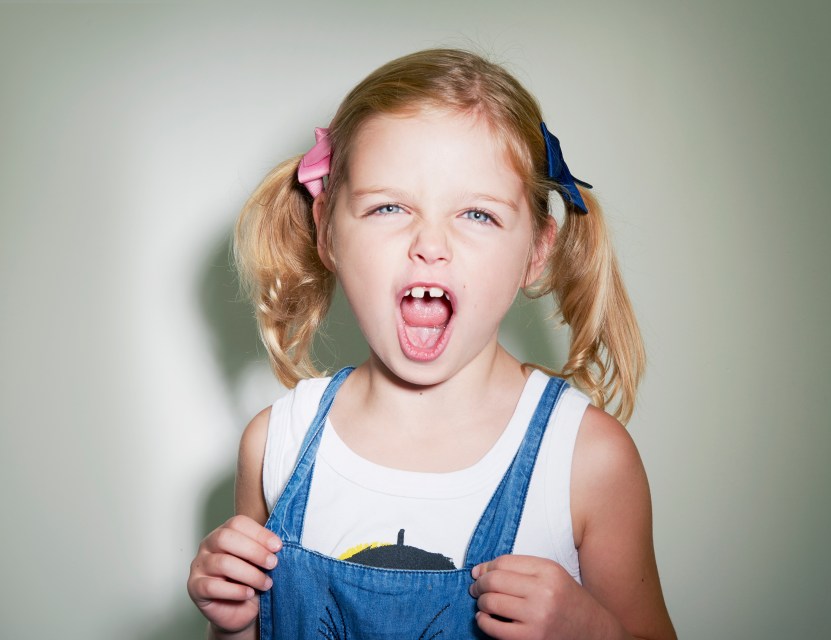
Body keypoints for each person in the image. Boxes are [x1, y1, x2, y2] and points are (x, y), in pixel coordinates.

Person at [187, 48, 676, 640]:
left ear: (537, 250)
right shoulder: (276, 445)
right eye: (389, 206)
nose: (430, 244)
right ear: (327, 230)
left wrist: (592, 633)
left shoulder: (587, 461)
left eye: (477, 214)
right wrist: (234, 628)